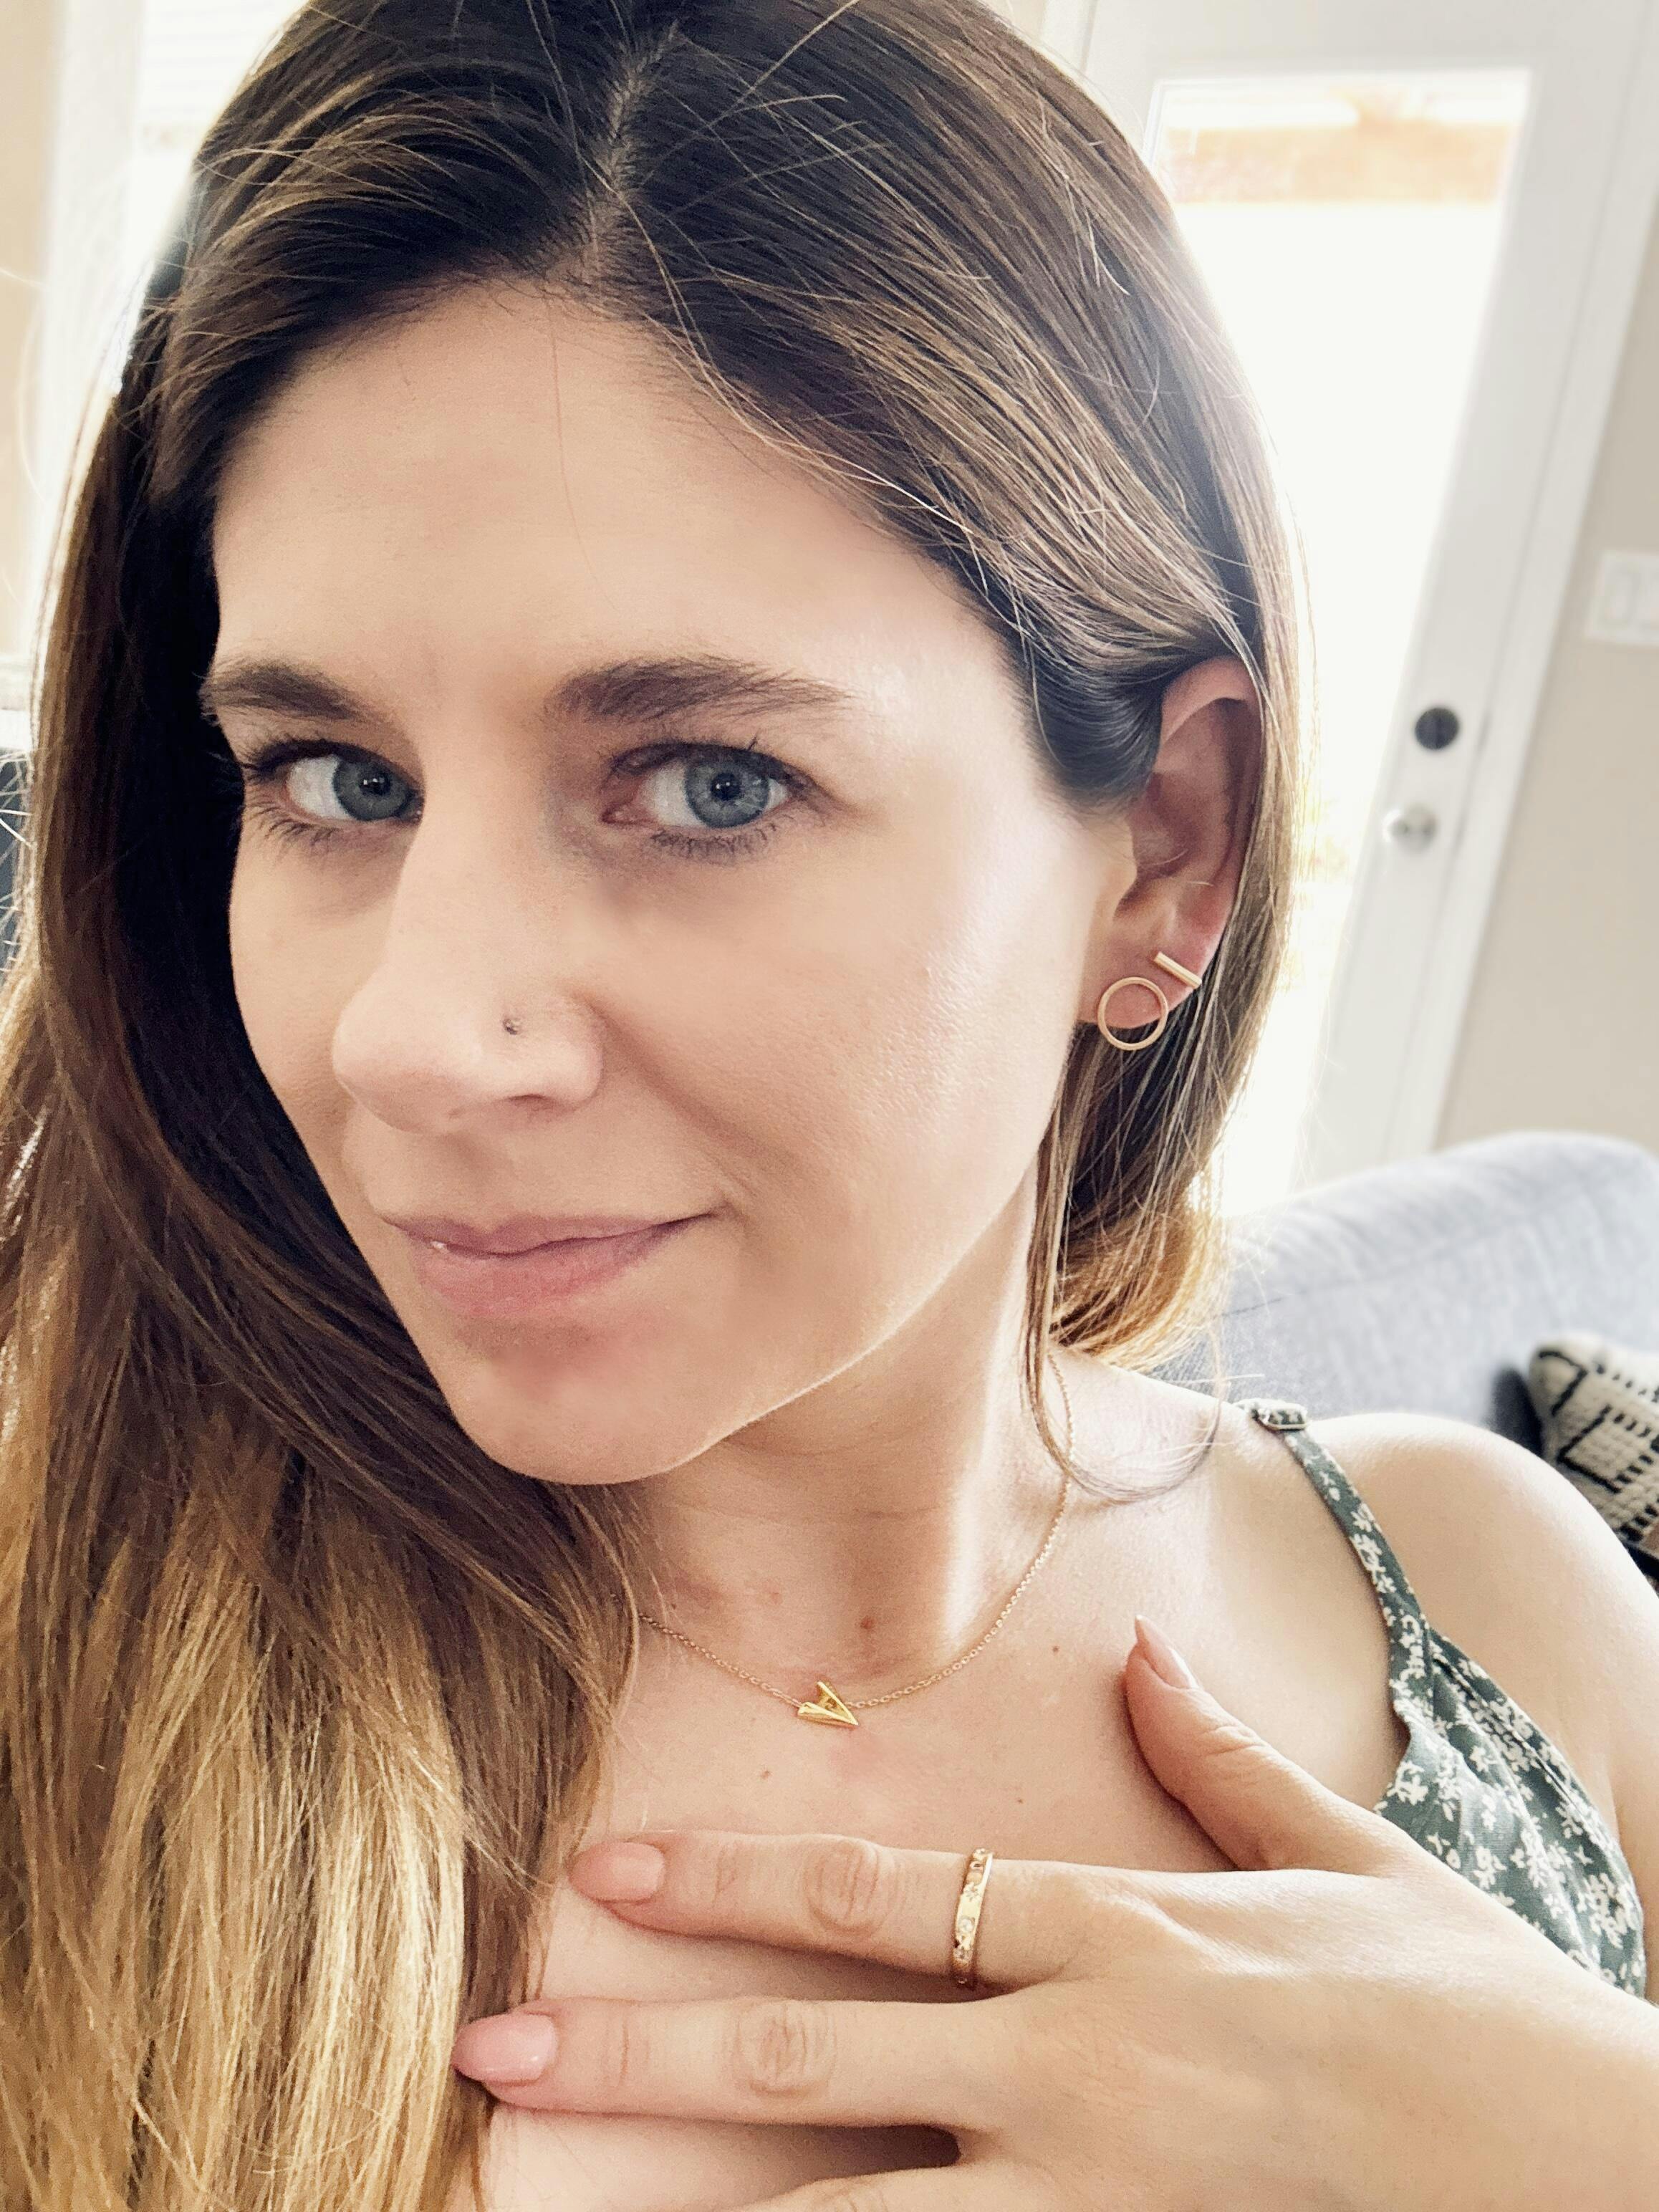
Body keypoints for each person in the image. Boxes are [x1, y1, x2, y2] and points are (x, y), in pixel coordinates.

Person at [3, 1, 1658, 2208]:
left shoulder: (1493, 1597)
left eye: (706, 783)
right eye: (338, 780)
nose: (411, 1034)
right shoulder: (69, 1682)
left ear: (1163, 848)